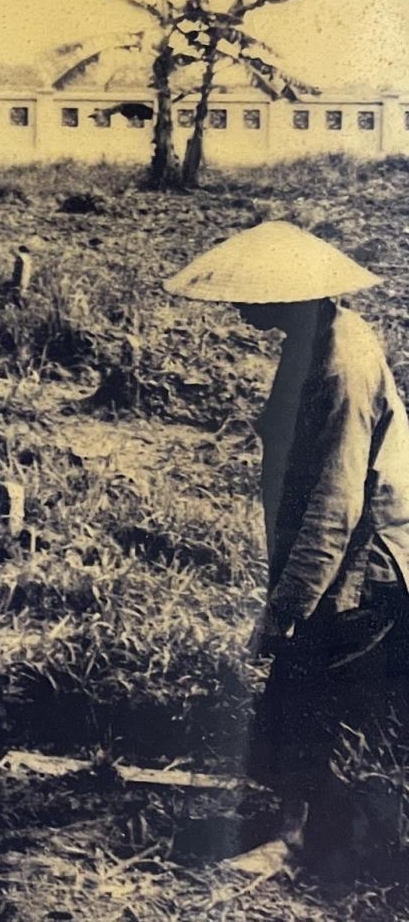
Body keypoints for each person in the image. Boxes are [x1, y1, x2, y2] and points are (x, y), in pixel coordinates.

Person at [165, 221, 409, 876]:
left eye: (254, 296)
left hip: (365, 564)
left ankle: (301, 842)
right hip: (343, 555)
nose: (241, 308)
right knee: (301, 694)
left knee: (313, 693)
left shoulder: (338, 365)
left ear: (291, 296)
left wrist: (290, 604)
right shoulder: (314, 339)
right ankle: (297, 823)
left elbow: (336, 501)